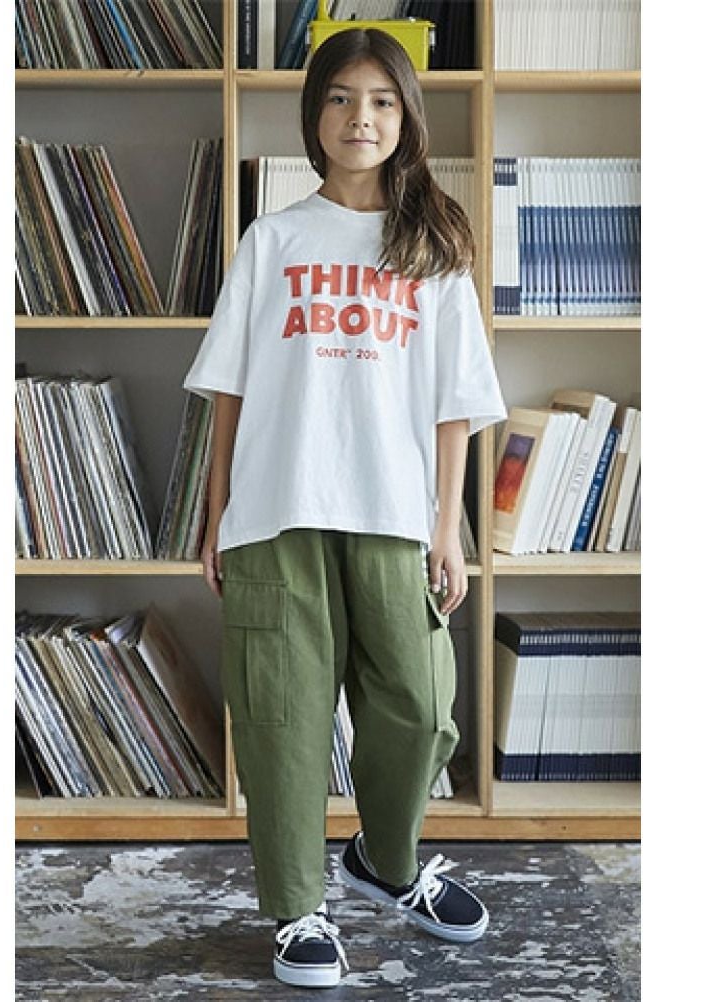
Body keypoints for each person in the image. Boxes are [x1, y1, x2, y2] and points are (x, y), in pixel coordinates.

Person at [182, 27, 507, 990]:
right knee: (281, 718)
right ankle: (298, 910)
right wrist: (216, 514)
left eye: (380, 100)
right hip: (277, 511)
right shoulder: (272, 240)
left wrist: (447, 526)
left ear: (405, 117)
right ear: (313, 114)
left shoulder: (434, 247)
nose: (358, 117)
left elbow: (456, 403)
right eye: (339, 97)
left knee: (419, 702)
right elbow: (230, 389)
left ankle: (385, 862)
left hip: (395, 511)